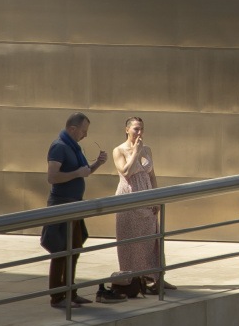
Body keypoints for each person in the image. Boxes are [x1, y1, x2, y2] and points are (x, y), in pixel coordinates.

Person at [40, 112, 125, 308]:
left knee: (75, 249)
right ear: (72, 129)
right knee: (61, 250)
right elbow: (52, 177)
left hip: (75, 205)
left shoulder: (74, 147)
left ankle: (70, 291)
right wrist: (77, 172)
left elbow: (82, 173)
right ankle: (57, 296)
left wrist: (96, 164)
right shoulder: (59, 147)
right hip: (62, 205)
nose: (85, 135)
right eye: (83, 131)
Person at [112, 117, 175, 294]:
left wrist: (156, 198)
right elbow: (126, 172)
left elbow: (152, 175)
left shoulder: (147, 149)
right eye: (136, 129)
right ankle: (133, 280)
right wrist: (135, 152)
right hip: (129, 199)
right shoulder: (119, 150)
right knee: (132, 243)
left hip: (147, 198)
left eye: (142, 129)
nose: (139, 133)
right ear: (127, 130)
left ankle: (157, 278)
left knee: (152, 240)